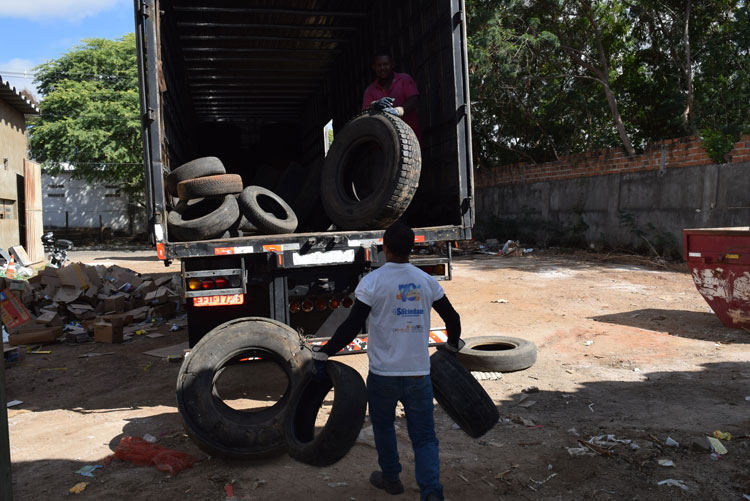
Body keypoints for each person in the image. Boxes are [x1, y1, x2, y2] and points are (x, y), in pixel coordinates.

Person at [311, 222, 463, 501]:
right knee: (425, 437)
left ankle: (391, 478)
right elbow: (452, 318)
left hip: (383, 375)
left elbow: (352, 326)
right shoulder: (426, 280)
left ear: (385, 247)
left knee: (383, 426)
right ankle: (431, 493)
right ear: (412, 248)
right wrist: (452, 347)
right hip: (419, 375)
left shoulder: (372, 282)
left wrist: (325, 351)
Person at [363, 50, 422, 142]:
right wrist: (374, 104)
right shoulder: (370, 90)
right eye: (379, 65)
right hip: (383, 141)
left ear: (392, 64)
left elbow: (414, 99)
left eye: (385, 64)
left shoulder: (404, 79)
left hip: (410, 136)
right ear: (374, 67)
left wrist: (399, 110)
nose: (382, 68)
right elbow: (364, 114)